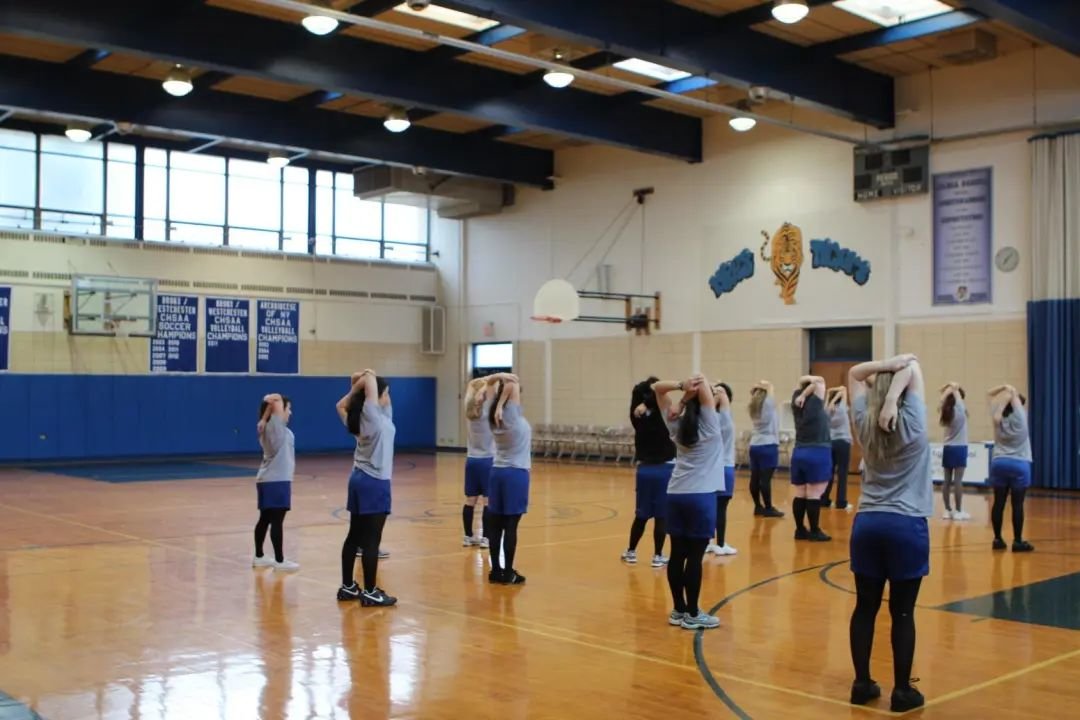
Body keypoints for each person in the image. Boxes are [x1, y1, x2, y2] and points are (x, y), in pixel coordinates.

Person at [847, 354, 931, 713]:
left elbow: (854, 372)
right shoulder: (914, 421)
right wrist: (895, 398)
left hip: (868, 523)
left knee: (864, 608)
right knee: (903, 612)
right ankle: (901, 691)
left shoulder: (862, 421)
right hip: (906, 525)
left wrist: (887, 368)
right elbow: (913, 365)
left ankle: (861, 683)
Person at [654, 374, 723, 630]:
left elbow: (657, 388)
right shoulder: (711, 426)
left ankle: (678, 610)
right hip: (701, 497)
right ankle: (693, 613)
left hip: (676, 494)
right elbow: (702, 380)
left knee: (677, 554)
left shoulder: (675, 423)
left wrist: (682, 393)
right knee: (694, 558)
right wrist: (697, 390)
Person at [335, 370, 397, 606]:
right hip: (374, 482)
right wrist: (366, 378)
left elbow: (340, 405)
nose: (388, 398)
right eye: (386, 394)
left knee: (354, 535)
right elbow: (370, 378)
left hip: (359, 479)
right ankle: (370, 591)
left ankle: (348, 587)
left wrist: (356, 386)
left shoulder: (363, 417)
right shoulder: (372, 417)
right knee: (372, 540)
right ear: (376, 396)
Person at [622, 376, 676, 568]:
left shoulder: (636, 416)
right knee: (661, 515)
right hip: (665, 469)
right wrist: (650, 399)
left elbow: (640, 392)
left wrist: (644, 402)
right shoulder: (664, 413)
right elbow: (663, 394)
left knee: (642, 514)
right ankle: (658, 555)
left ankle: (631, 551)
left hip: (644, 470)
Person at [487, 372, 530, 585]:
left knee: (496, 525)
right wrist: (501, 399)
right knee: (510, 526)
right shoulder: (509, 414)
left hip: (497, 472)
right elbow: (513, 383)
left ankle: (496, 570)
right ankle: (508, 572)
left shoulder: (491, 413)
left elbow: (489, 383)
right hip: (515, 474)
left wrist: (498, 377)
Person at [253, 393, 299, 572]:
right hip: (277, 480)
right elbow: (272, 398)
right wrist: (268, 413)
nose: (290, 412)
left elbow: (270, 402)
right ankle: (280, 561)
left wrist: (264, 417)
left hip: (267, 479)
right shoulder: (275, 427)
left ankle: (259, 556)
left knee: (265, 519)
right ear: (278, 410)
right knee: (277, 521)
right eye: (288, 408)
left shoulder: (270, 427)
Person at [988, 385, 1034, 552]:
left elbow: (989, 393)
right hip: (1019, 464)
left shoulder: (998, 416)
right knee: (1017, 504)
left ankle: (997, 539)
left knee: (998, 502)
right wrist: (1012, 391)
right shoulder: (1021, 417)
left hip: (999, 462)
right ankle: (1018, 541)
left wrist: (1003, 387)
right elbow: (1014, 396)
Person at [790, 375, 832, 541]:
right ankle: (814, 530)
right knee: (814, 494)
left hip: (799, 451)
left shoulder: (796, 400)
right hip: (817, 451)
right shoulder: (814, 400)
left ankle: (800, 530)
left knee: (800, 493)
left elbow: (803, 381)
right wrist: (805, 393)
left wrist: (802, 393)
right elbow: (819, 381)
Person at [463, 377, 493, 548]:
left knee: (470, 500)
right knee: (487, 501)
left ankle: (468, 536)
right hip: (487, 460)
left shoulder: (469, 412)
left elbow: (471, 389)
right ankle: (486, 538)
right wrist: (490, 379)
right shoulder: (487, 412)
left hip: (471, 460)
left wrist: (478, 384)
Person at [707, 382, 737, 556]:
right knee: (721, 508)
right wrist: (720, 393)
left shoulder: (705, 419)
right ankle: (720, 543)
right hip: (724, 467)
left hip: (709, 469)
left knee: (710, 507)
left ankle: (707, 541)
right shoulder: (725, 418)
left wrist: (709, 392)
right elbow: (724, 401)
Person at [748, 380, 784, 518]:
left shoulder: (753, 406)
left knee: (755, 477)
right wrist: (766, 385)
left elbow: (753, 392)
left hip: (755, 444)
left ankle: (758, 506)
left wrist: (757, 386)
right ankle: (768, 507)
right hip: (768, 445)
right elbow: (770, 388)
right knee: (765, 480)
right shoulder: (768, 404)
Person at [939, 383, 971, 520]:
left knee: (946, 481)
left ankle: (947, 510)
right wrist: (954, 387)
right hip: (960, 448)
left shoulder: (945, 411)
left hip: (948, 448)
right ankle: (958, 510)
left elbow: (942, 398)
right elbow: (957, 394)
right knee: (958, 481)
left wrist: (948, 388)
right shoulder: (960, 410)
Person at [821, 386, 852, 510]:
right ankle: (841, 502)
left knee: (829, 471)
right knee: (842, 473)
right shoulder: (842, 408)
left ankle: (824, 499)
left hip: (830, 443)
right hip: (843, 442)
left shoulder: (826, 410)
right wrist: (837, 393)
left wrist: (829, 393)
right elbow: (844, 389)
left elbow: (827, 402)